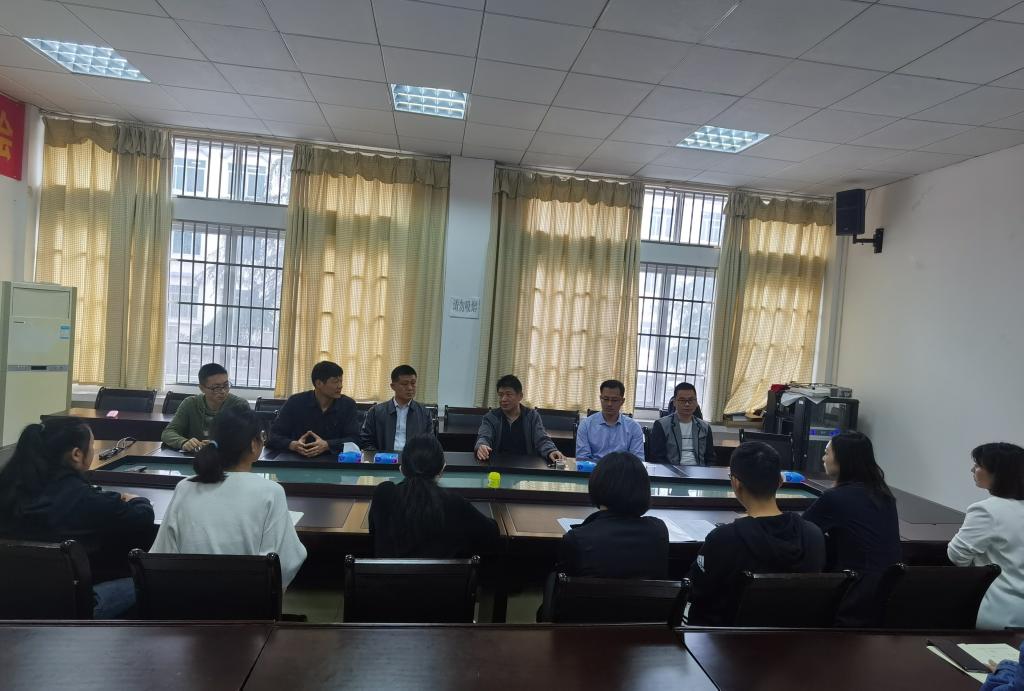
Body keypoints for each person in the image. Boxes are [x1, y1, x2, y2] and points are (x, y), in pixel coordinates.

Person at [0, 419, 156, 618]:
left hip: (10, 603)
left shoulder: (9, 489)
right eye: (92, 445)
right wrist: (137, 500)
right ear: (76, 454)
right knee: (150, 581)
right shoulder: (85, 499)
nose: (93, 450)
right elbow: (142, 519)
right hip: (70, 607)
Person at [150, 407, 307, 589]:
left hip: (187, 599)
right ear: (254, 445)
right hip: (246, 601)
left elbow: (161, 554)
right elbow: (287, 561)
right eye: (262, 437)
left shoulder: (185, 487)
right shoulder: (271, 491)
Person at [687, 441, 826, 626]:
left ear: (735, 483)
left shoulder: (723, 539)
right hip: (796, 640)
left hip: (726, 641)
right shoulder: (814, 535)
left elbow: (694, 590)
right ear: (780, 482)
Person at [802, 432, 901, 626]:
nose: (823, 458)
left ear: (842, 459)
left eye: (827, 453)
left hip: (853, 597)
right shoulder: (884, 495)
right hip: (889, 594)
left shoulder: (834, 498)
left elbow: (800, 533)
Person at [369, 434, 499, 557]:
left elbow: (373, 531)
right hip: (441, 575)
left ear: (402, 469)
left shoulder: (383, 494)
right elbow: (492, 535)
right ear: (442, 469)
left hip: (386, 574)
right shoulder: (454, 503)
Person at [947, 442, 1024, 630]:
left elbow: (957, 556)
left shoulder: (986, 510)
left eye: (978, 465)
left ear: (998, 473)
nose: (973, 469)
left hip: (997, 611)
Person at [555, 451, 668, 578]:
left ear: (596, 485)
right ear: (644, 489)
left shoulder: (576, 538)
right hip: (645, 593)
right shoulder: (659, 530)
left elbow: (563, 583)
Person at [267, 361, 361, 457]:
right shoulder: (295, 402)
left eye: (341, 381)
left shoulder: (347, 405)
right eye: (335, 382)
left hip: (335, 460)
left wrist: (328, 445)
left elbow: (355, 439)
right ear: (319, 383)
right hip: (298, 459)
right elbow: (273, 435)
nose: (340, 386)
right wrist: (292, 445)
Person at [475, 375, 565, 464]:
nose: (503, 399)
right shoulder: (491, 417)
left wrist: (551, 450)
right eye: (500, 395)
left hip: (526, 466)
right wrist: (482, 445)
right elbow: (484, 436)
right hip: (497, 465)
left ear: (520, 396)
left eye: (508, 394)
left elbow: (541, 439)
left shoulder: (532, 416)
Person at [161, 362, 250, 452]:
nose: (223, 391)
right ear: (202, 388)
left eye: (226, 385)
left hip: (228, 458)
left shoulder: (239, 405)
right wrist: (183, 442)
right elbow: (168, 433)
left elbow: (247, 437)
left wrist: (220, 444)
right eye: (216, 387)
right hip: (195, 457)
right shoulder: (190, 403)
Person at [360, 365, 434, 453]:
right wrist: (379, 457)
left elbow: (429, 443)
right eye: (404, 384)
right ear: (393, 386)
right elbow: (366, 441)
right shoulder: (376, 412)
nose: (410, 388)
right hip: (383, 459)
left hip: (413, 459)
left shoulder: (424, 413)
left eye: (413, 383)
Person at [575, 380, 645, 462]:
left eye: (614, 400)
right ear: (600, 398)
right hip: (594, 469)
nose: (609, 404)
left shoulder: (634, 427)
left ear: (622, 401)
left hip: (622, 469)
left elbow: (637, 460)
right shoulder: (586, 425)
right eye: (605, 399)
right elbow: (582, 458)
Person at [649, 382, 716, 466]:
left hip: (699, 471)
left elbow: (710, 458)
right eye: (682, 400)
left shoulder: (705, 427)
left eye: (691, 400)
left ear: (696, 402)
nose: (687, 404)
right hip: (672, 470)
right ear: (674, 402)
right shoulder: (661, 425)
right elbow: (657, 457)